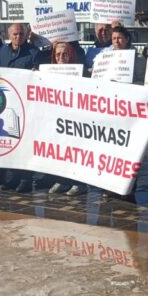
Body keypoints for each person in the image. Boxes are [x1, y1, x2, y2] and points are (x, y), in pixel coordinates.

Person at [0, 23, 39, 192]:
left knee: (23, 144)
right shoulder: (3, 51)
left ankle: (25, 180)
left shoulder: (33, 52)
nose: (18, 37)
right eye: (15, 34)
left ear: (26, 35)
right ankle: (11, 178)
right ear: (8, 34)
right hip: (6, 104)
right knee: (8, 142)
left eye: (21, 34)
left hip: (24, 105)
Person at [44, 41, 89, 197]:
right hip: (57, 117)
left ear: (71, 55)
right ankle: (62, 180)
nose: (61, 57)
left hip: (75, 118)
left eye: (65, 54)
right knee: (60, 150)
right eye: (57, 54)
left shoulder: (80, 72)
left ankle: (79, 183)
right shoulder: (48, 72)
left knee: (76, 150)